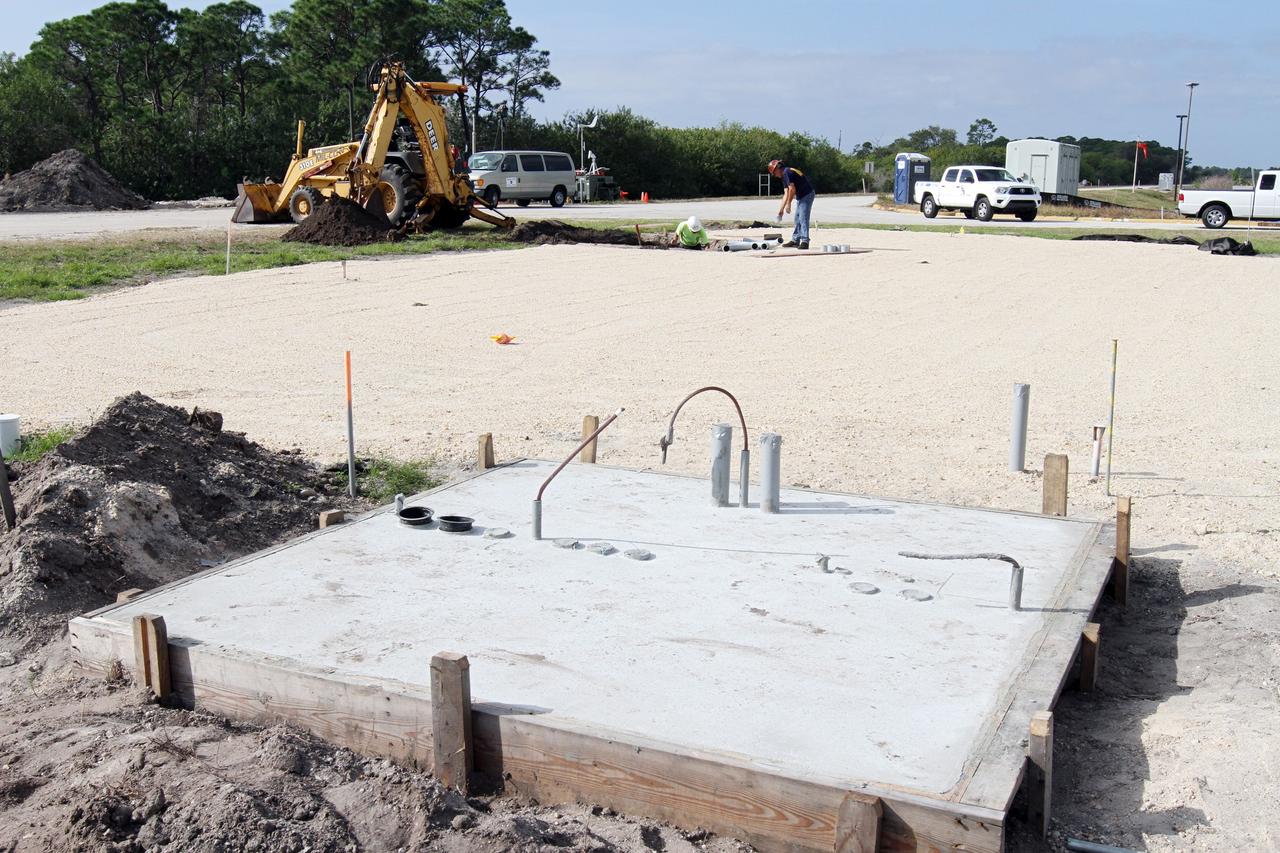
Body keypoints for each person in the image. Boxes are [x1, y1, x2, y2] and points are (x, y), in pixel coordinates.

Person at [767, 159, 815, 249]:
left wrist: (789, 204)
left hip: (807, 194)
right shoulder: (784, 176)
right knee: (797, 219)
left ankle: (805, 241)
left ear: (777, 168)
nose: (775, 175)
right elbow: (786, 193)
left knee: (803, 218)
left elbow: (792, 189)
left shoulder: (787, 172)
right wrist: (781, 210)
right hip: (801, 196)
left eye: (774, 172)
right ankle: (795, 240)